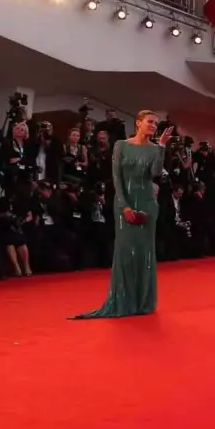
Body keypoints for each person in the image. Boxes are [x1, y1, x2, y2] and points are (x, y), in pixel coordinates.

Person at [72, 111, 173, 319]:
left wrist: (162, 146)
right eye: (150, 122)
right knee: (125, 252)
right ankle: (124, 300)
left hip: (147, 203)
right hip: (123, 202)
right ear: (138, 123)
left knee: (145, 253)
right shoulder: (121, 145)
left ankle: (143, 301)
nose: (154, 126)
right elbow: (117, 178)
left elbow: (155, 172)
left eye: (156, 123)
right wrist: (125, 206)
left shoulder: (154, 148)